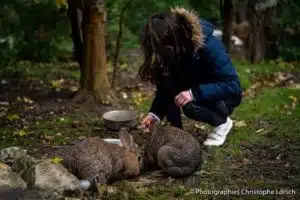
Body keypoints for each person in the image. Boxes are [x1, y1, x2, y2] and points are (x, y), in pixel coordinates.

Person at [138, 7, 243, 146]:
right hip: (195, 88)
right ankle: (176, 132)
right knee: (170, 82)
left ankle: (223, 123)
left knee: (189, 106)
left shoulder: (209, 46)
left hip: (222, 98)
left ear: (171, 38)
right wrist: (155, 114)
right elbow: (166, 87)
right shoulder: (172, 51)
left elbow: (232, 86)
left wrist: (194, 93)